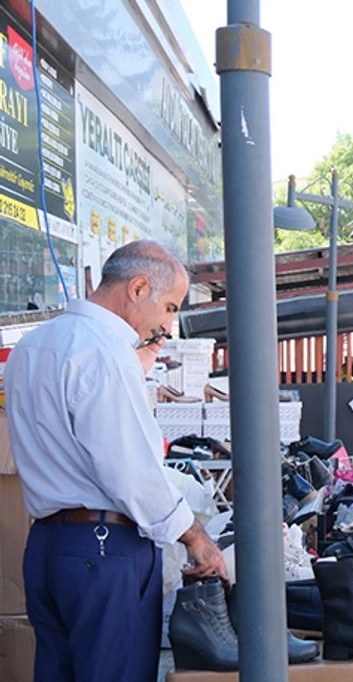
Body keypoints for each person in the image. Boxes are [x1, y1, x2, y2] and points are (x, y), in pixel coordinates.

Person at [6, 240, 227, 682]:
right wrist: (195, 536)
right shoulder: (104, 353)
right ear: (139, 287)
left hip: (48, 546)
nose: (167, 323)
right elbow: (132, 472)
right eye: (168, 307)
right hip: (104, 548)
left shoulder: (33, 346)